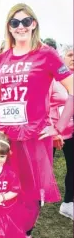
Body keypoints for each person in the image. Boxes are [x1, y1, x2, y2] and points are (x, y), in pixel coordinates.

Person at [0, 3, 73, 238]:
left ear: (34, 24)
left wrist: (59, 126)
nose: (20, 26)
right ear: (9, 26)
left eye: (26, 21)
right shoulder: (2, 58)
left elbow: (72, 90)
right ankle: (12, 234)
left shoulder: (46, 55)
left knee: (31, 191)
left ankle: (26, 236)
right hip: (5, 137)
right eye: (15, 22)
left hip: (35, 137)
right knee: (8, 187)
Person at [49, 44, 73, 220]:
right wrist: (52, 129)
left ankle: (68, 203)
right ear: (62, 58)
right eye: (70, 55)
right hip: (51, 131)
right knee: (44, 167)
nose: (73, 58)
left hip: (72, 131)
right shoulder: (51, 79)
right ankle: (40, 197)